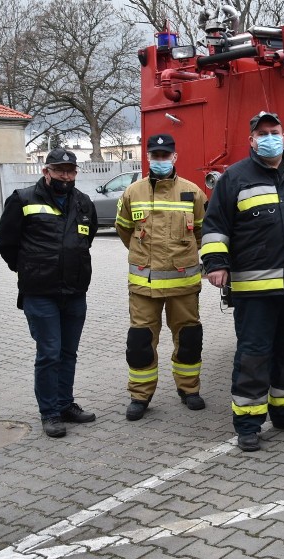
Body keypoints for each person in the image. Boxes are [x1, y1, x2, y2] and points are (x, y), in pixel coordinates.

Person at [200, 111, 284, 452]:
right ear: (251, 140)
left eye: (274, 131)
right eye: (261, 133)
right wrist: (216, 263)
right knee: (254, 355)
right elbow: (215, 225)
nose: (268, 138)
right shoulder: (234, 178)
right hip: (255, 290)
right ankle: (248, 422)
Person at [0, 148, 98, 438]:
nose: (65, 175)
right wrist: (27, 268)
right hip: (40, 293)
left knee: (68, 352)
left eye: (71, 170)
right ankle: (50, 413)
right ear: (46, 171)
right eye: (60, 170)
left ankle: (66, 405)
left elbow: (85, 240)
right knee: (49, 353)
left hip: (75, 292)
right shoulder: (23, 199)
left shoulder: (83, 203)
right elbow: (6, 243)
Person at [115, 133, 209, 420]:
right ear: (148, 158)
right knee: (141, 342)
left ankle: (189, 390)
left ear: (175, 157)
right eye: (155, 156)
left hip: (183, 285)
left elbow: (203, 233)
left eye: (165, 155)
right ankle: (140, 395)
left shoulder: (193, 192)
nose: (160, 160)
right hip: (144, 286)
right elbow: (125, 230)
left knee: (189, 338)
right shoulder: (133, 192)